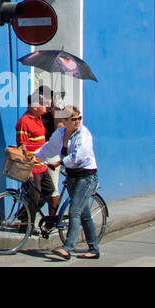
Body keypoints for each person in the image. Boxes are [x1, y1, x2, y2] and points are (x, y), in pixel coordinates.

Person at [35, 106, 99, 260]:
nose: (77, 121)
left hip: (86, 177)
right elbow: (49, 148)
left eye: (79, 118)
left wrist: (60, 162)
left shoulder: (83, 135)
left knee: (74, 211)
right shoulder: (60, 133)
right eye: (73, 119)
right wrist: (35, 156)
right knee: (84, 214)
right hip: (72, 177)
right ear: (65, 121)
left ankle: (67, 248)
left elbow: (78, 157)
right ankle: (94, 248)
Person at [15, 89, 57, 217]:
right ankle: (26, 226)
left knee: (48, 191)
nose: (45, 106)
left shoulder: (38, 119)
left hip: (41, 165)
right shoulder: (24, 122)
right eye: (42, 104)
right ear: (34, 106)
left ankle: (23, 214)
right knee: (34, 197)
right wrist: (29, 170)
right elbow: (22, 148)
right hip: (32, 167)